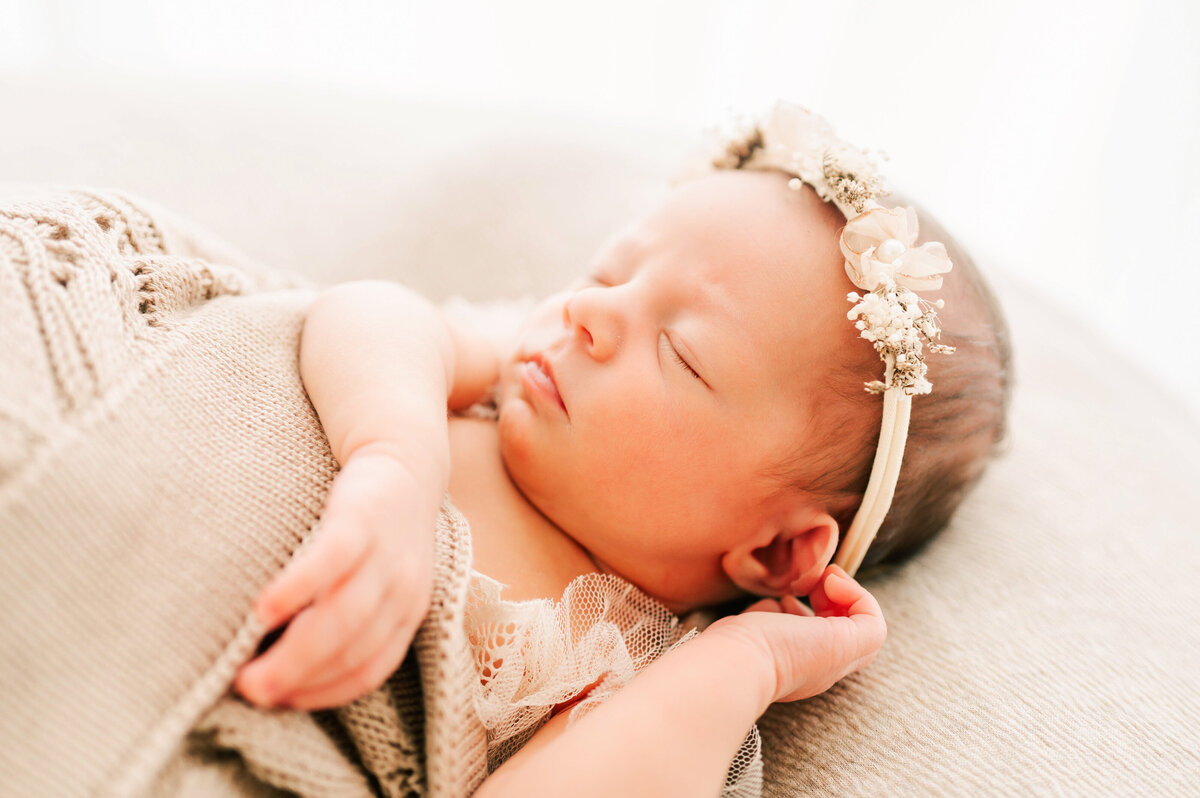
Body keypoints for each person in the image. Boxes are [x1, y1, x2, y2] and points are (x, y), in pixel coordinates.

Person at [232, 103, 1010, 795]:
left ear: (775, 554)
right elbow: (362, 314)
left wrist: (747, 662)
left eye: (682, 353)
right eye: (608, 272)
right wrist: (394, 461)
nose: (591, 310)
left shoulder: (631, 680)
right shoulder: (493, 378)